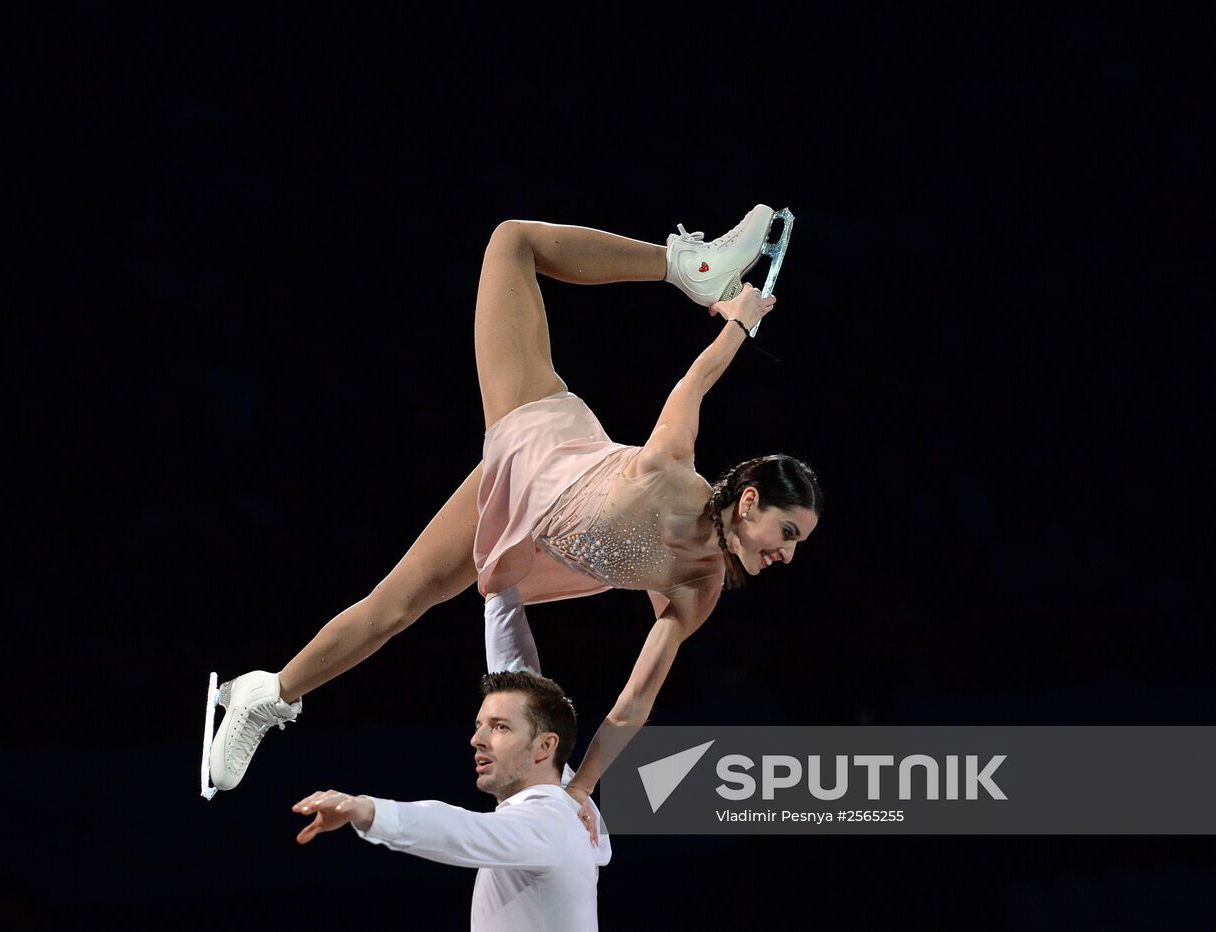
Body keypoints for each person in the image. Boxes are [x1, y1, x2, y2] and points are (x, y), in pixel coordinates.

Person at [203, 204, 824, 811]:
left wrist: (580, 789)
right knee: (512, 241)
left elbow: (634, 703)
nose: (788, 554)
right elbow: (693, 385)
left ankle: (262, 691)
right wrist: (736, 326)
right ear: (749, 501)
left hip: (531, 524)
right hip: (540, 437)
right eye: (788, 531)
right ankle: (685, 264)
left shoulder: (699, 587)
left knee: (398, 606)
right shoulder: (671, 474)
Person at [290, 670, 610, 931]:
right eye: (479, 725)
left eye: (499, 727)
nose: (476, 739)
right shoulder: (570, 810)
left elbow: (462, 830)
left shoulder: (548, 822)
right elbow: (627, 709)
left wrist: (367, 809)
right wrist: (500, 602)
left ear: (545, 747)